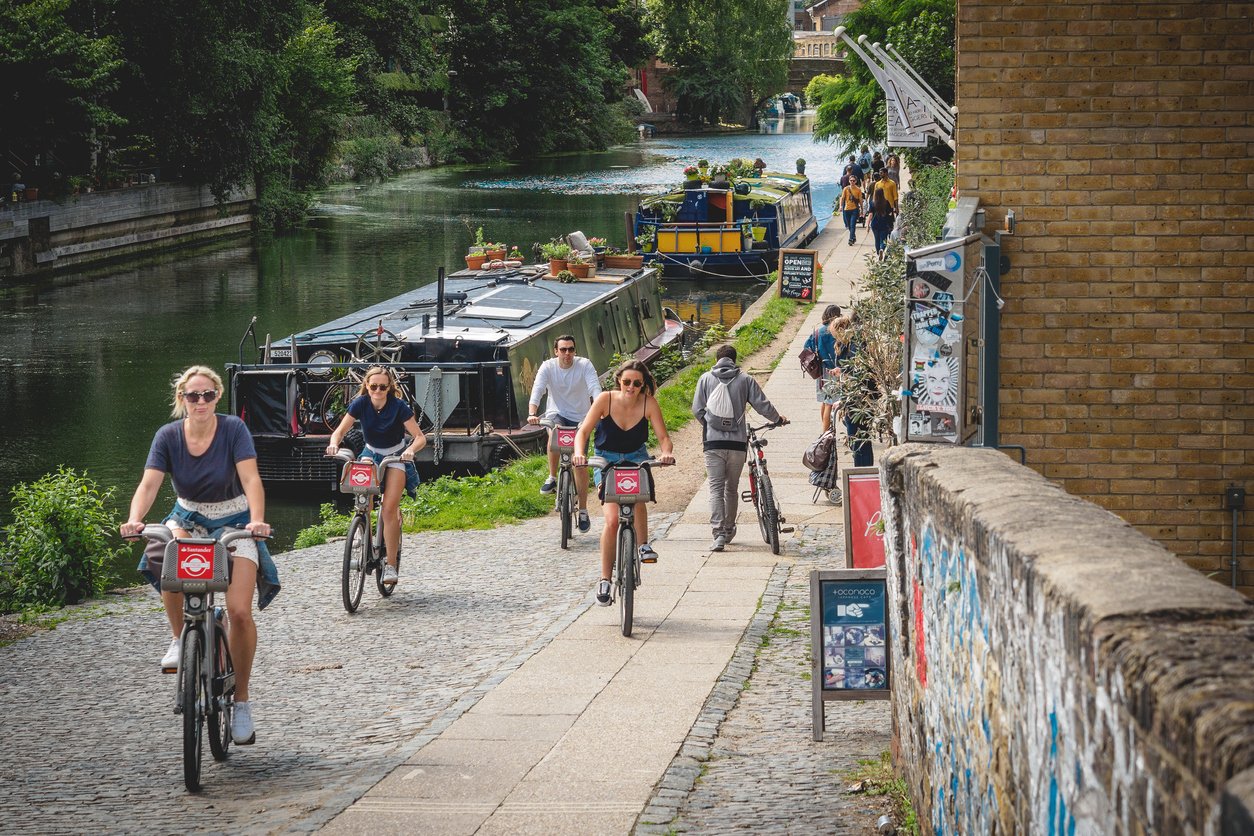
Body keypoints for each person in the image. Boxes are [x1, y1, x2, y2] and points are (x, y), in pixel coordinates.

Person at [120, 365, 276, 746]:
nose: (201, 401)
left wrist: (256, 520)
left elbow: (252, 479)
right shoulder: (168, 436)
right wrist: (134, 519)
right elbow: (149, 483)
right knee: (167, 552)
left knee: (239, 611)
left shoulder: (234, 430)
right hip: (187, 516)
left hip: (234, 518)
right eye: (193, 396)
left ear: (217, 397)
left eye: (208, 395)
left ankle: (241, 702)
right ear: (182, 399)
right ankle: (179, 638)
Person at [572, 359, 674, 606]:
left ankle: (643, 545)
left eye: (637, 383)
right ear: (619, 380)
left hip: (636, 457)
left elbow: (663, 437)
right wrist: (579, 453)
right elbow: (583, 432)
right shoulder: (605, 400)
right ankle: (605, 579)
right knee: (612, 519)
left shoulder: (649, 403)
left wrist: (666, 453)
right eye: (626, 381)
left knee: (639, 496)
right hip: (606, 460)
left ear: (643, 385)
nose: (631, 387)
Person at [326, 366, 426, 587]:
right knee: (363, 499)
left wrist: (410, 450)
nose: (378, 390)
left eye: (382, 386)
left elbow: (420, 437)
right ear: (367, 387)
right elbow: (340, 431)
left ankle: (390, 563)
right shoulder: (360, 404)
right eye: (373, 386)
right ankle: (363, 532)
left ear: (389, 387)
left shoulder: (399, 407)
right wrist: (334, 444)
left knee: (389, 508)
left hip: (395, 455)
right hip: (370, 452)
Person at [692, 345, 787, 552]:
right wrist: (778, 419)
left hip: (713, 444)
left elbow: (697, 409)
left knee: (715, 488)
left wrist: (711, 425)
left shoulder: (705, 379)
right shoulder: (745, 380)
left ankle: (718, 535)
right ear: (734, 360)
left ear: (717, 360)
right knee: (731, 488)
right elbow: (763, 405)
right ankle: (729, 529)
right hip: (737, 444)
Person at [527, 334, 601, 533]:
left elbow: (595, 389)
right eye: (563, 349)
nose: (567, 353)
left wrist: (600, 410)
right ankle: (552, 477)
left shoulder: (584, 365)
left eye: (571, 349)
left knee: (580, 463)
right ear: (556, 351)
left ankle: (584, 510)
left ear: (575, 351)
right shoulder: (548, 367)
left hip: (581, 417)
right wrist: (532, 413)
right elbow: (538, 390)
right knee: (554, 434)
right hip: (557, 413)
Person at [803, 305, 843, 434]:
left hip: (821, 371)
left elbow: (806, 347)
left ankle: (824, 430)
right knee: (829, 404)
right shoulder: (836, 331)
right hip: (834, 371)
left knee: (825, 402)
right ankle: (826, 435)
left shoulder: (818, 332)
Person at [869, 187, 895, 259]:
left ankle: (878, 253)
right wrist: (891, 222)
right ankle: (882, 249)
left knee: (876, 239)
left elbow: (870, 214)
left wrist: (868, 225)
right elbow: (890, 213)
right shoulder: (886, 202)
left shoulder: (872, 203)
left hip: (875, 224)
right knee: (883, 239)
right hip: (884, 223)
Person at [839, 175, 863, 246]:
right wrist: (840, 206)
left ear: (856, 181)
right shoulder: (846, 189)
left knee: (852, 225)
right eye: (851, 180)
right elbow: (842, 198)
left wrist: (861, 209)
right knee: (849, 225)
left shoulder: (858, 190)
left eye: (853, 181)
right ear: (849, 181)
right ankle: (853, 236)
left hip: (854, 209)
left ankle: (850, 239)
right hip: (847, 209)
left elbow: (860, 200)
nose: (852, 182)